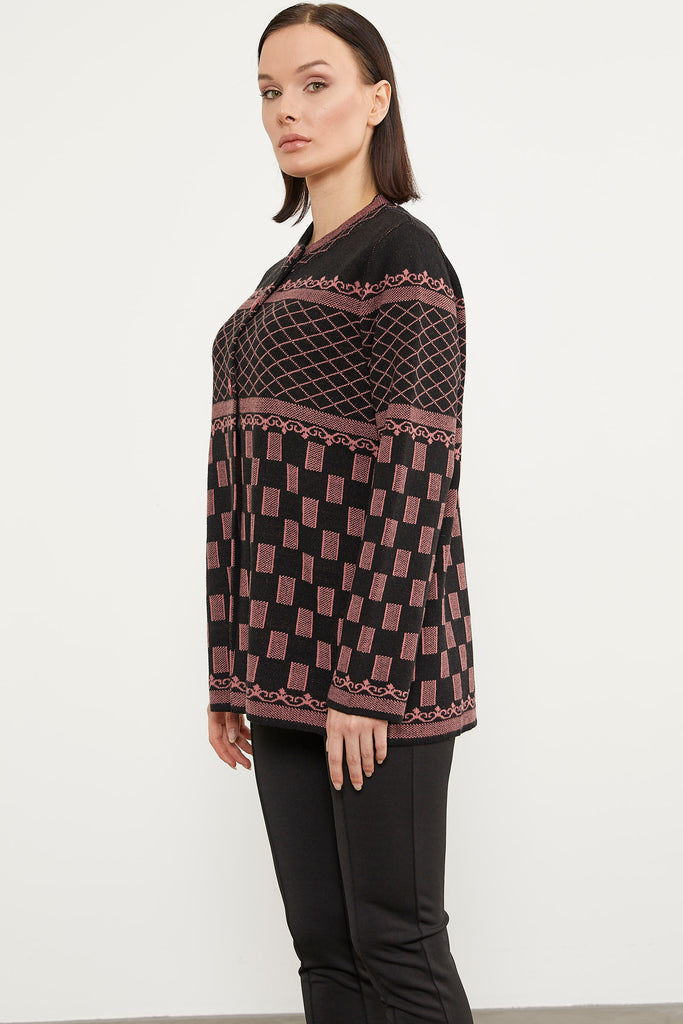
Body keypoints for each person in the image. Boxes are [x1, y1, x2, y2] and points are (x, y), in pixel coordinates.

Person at [206, 4, 477, 1021]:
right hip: (279, 664)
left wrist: (366, 682)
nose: (287, 109)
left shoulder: (403, 260)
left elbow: (417, 475)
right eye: (269, 91)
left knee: (394, 943)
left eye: (315, 84)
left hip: (378, 670)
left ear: (375, 100)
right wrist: (229, 664)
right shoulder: (283, 273)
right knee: (323, 948)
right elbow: (241, 485)